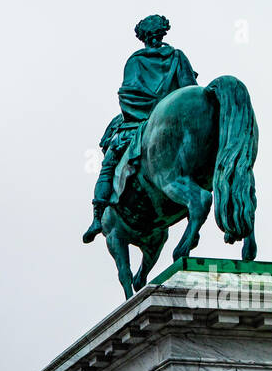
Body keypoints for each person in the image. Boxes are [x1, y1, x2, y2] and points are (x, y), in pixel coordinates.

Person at [82, 14, 198, 243]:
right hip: (174, 121)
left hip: (138, 123)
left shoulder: (135, 61)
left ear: (143, 37)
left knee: (109, 163)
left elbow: (128, 95)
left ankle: (97, 217)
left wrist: (148, 111)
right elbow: (190, 90)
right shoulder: (178, 56)